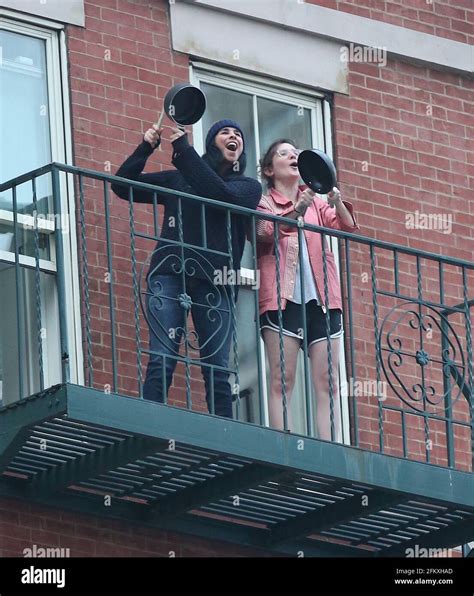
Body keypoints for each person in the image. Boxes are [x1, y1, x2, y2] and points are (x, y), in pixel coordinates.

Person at [112, 119, 261, 418]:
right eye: (225, 132)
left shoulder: (247, 187)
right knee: (162, 356)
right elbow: (122, 185)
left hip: (216, 282)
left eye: (238, 134)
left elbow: (221, 196)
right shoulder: (179, 179)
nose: (233, 137)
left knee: (217, 367)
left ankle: (224, 433)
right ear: (211, 143)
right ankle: (150, 421)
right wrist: (146, 146)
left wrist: (183, 150)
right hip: (170, 274)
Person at [256, 139, 359, 439]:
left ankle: (331, 450)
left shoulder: (315, 202)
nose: (293, 156)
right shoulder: (265, 201)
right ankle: (284, 447)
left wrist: (336, 199)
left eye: (296, 153)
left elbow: (347, 227)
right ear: (269, 169)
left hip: (322, 298)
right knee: (282, 378)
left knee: (328, 379)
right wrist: (294, 212)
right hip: (282, 298)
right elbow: (263, 232)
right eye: (284, 153)